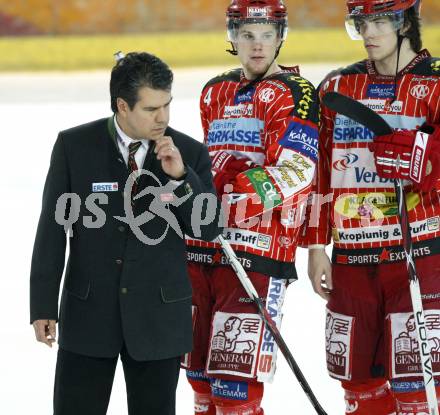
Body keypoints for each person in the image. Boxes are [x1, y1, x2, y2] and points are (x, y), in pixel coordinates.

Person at [29, 51, 222, 415]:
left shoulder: (189, 153)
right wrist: (42, 304)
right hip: (88, 316)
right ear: (122, 105)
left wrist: (180, 178)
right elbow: (52, 229)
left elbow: (207, 228)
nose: (162, 117)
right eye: (151, 109)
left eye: (166, 105)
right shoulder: (74, 147)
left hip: (159, 319)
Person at [183, 1, 320, 414]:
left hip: (256, 255)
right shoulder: (214, 91)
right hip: (203, 248)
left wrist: (233, 190)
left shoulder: (296, 92)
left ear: (281, 37)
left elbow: (298, 170)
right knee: (200, 381)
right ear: (232, 37)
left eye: (265, 35)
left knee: (235, 387)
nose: (257, 45)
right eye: (247, 35)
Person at [304, 1, 440, 414]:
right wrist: (315, 248)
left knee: (417, 386)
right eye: (361, 23)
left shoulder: (436, 84)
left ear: (404, 23)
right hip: (350, 261)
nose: (369, 32)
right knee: (358, 385)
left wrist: (427, 157)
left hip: (419, 256)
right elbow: (319, 171)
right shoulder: (336, 88)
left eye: (379, 21)